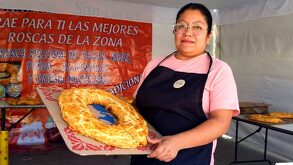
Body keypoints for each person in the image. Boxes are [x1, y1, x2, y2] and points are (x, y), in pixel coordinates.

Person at [131, 3, 240, 165]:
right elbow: (135, 106)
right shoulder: (155, 65)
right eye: (182, 25)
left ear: (209, 36)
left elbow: (221, 123)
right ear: (175, 31)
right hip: (143, 154)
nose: (188, 32)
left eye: (197, 27)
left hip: (191, 158)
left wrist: (177, 142)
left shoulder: (219, 70)